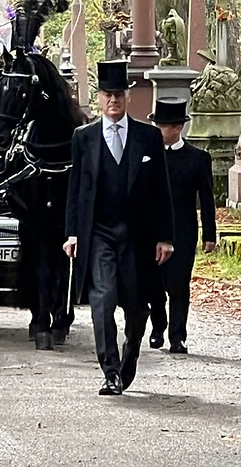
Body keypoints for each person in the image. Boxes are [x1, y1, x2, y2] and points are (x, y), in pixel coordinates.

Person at [64, 61, 174, 396]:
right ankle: (109, 370)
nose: (114, 100)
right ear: (99, 98)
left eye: (119, 94)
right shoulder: (84, 138)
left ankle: (129, 358)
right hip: (99, 233)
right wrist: (72, 233)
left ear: (126, 97)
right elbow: (76, 189)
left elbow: (161, 190)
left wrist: (165, 236)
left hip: (137, 236)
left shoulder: (148, 137)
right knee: (102, 300)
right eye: (108, 94)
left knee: (137, 307)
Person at [147, 98, 216, 354]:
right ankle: (158, 326)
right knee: (153, 287)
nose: (158, 129)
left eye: (162, 125)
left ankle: (178, 336)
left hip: (183, 232)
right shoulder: (146, 155)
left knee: (178, 286)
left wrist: (210, 234)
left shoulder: (198, 158)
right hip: (151, 232)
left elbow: (207, 198)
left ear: (177, 128)